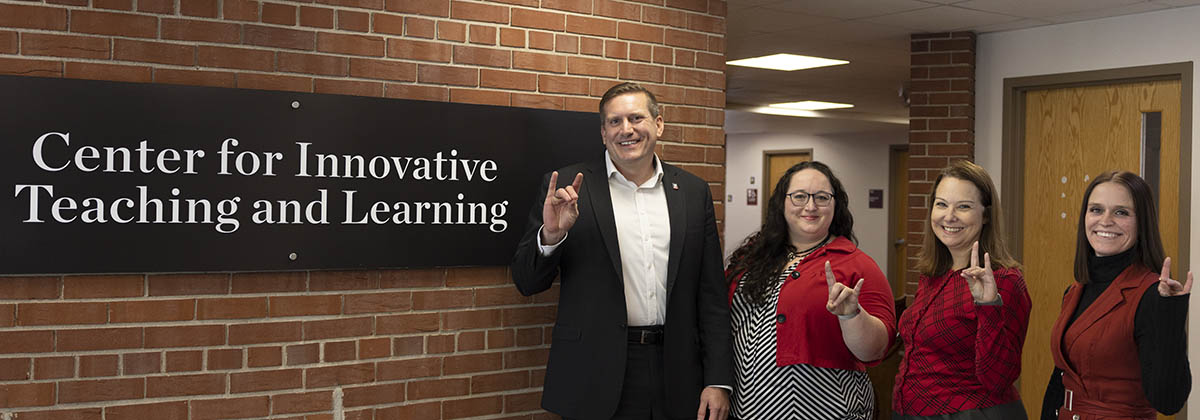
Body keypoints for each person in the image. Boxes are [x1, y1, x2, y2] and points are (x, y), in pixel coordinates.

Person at [510, 82, 733, 420]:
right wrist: (552, 234)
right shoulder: (569, 188)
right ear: (603, 133)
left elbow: (711, 296)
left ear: (658, 124)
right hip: (596, 372)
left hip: (678, 371)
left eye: (636, 118)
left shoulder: (692, 191)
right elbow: (526, 282)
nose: (626, 130)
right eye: (614, 122)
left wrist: (718, 379)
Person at [725, 161, 895, 419]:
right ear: (782, 202)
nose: (811, 206)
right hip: (746, 406)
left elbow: (875, 350)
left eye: (822, 197)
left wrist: (852, 316)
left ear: (836, 205)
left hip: (826, 407)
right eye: (800, 196)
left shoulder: (858, 265)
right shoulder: (751, 258)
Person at [1040, 171, 1191, 420]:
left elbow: (1169, 401)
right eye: (1096, 210)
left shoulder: (1152, 294)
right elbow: (1060, 379)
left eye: (1121, 212)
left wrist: (1170, 314)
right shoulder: (1074, 291)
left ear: (1142, 223)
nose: (1105, 221)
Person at [892, 160, 1032, 419]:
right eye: (941, 204)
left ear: (986, 215)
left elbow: (1000, 378)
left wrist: (988, 306)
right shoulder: (933, 276)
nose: (949, 216)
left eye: (964, 207)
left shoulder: (1005, 281)